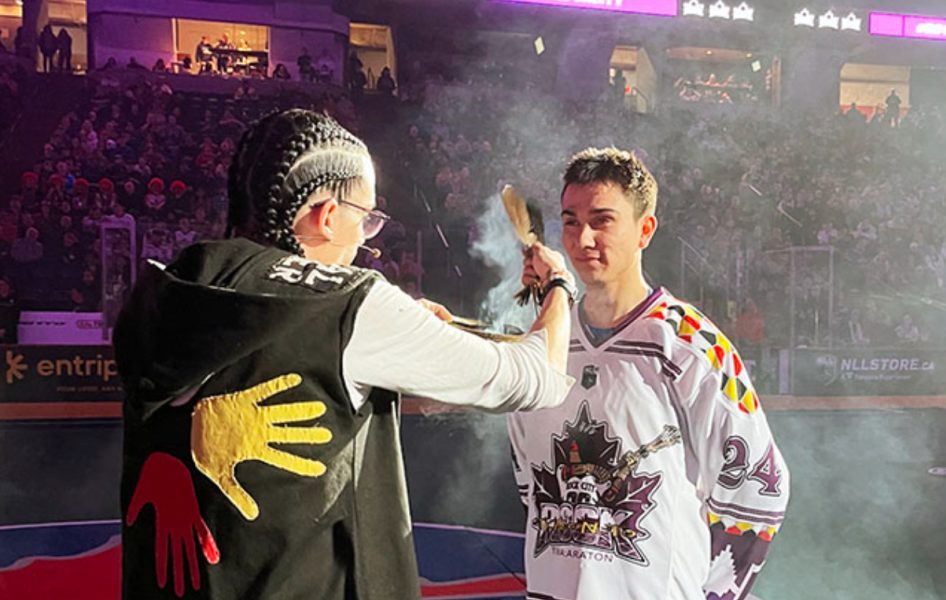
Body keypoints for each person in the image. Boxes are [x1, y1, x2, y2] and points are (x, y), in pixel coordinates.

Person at [113, 109, 575, 600]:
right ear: (326, 216)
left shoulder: (166, 290)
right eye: (367, 217)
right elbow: (534, 376)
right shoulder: (350, 304)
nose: (366, 240)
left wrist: (402, 325)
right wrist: (559, 285)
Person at [508, 148, 789, 600]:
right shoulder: (543, 345)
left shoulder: (695, 345)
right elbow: (529, 483)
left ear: (644, 230)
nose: (582, 240)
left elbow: (760, 488)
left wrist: (714, 594)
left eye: (602, 220)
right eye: (571, 221)